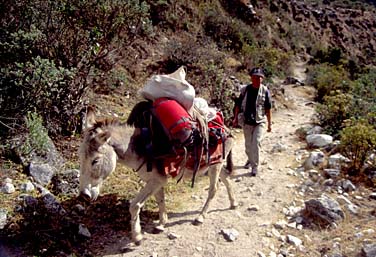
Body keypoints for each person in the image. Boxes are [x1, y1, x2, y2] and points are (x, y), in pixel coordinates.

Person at [232, 67, 272, 176]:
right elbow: (238, 105)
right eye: (255, 77)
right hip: (247, 122)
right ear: (251, 78)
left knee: (256, 143)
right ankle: (250, 159)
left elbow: (268, 108)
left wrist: (269, 124)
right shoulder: (245, 90)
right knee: (248, 146)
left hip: (259, 122)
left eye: (259, 78)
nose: (257, 80)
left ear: (262, 79)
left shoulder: (265, 91)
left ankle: (255, 167)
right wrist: (235, 118)